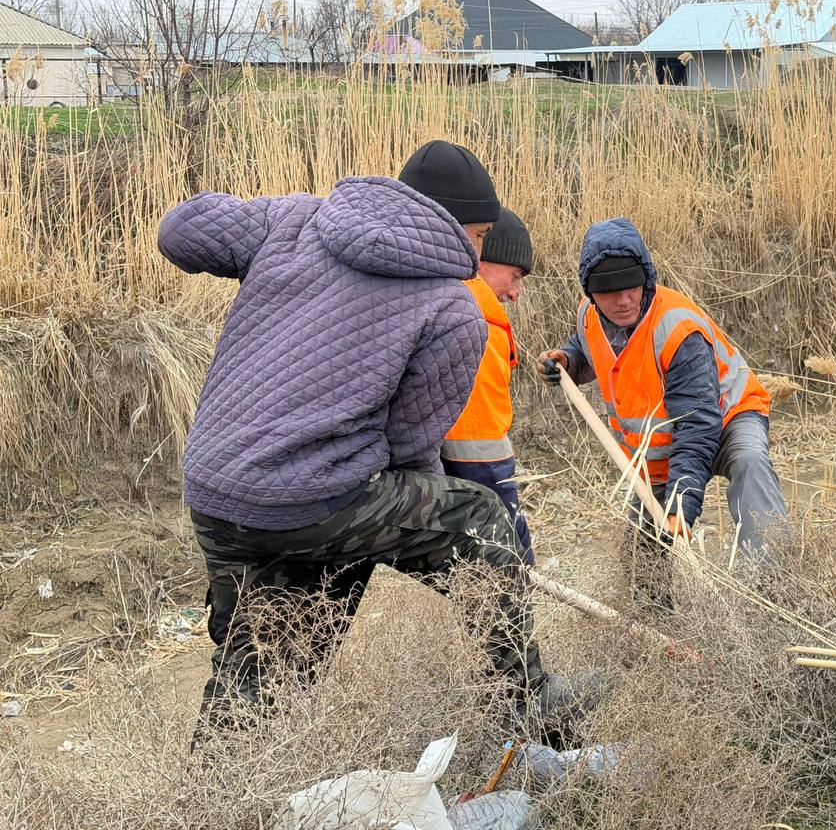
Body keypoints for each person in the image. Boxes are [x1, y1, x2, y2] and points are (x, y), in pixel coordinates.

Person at [161, 139, 572, 737]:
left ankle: (214, 795)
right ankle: (530, 710)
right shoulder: (452, 309)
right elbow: (408, 449)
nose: (477, 249)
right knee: (480, 519)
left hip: (215, 489)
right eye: (481, 235)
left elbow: (179, 232)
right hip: (308, 500)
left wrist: (283, 220)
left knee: (266, 650)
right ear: (455, 226)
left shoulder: (297, 220)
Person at [537, 218, 787, 600]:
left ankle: (773, 588)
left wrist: (682, 502)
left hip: (726, 418)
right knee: (643, 558)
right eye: (610, 292)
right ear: (591, 294)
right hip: (657, 449)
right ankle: (656, 624)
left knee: (750, 462)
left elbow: (697, 423)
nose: (624, 301)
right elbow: (590, 350)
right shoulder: (590, 319)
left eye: (632, 288)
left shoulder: (677, 329)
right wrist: (568, 362)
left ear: (647, 279)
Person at [442, 207, 535, 565]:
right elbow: (478, 452)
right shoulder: (480, 324)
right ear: (481, 258)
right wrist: (514, 541)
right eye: (514, 275)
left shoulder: (431, 297)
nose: (515, 293)